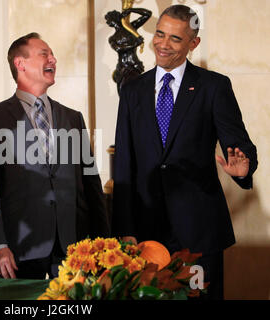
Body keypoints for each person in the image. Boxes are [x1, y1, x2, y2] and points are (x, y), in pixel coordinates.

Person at [112, 5, 257, 300]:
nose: (163, 45)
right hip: (147, 231)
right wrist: (125, 229)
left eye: (175, 39)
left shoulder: (214, 87)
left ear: (194, 43)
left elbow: (239, 142)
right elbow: (125, 162)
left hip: (199, 231)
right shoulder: (132, 90)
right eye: (160, 34)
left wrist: (245, 166)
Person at [0, 33, 110, 279]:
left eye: (52, 54)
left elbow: (91, 181)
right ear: (20, 63)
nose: (53, 59)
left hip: (74, 246)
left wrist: (104, 240)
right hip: (20, 246)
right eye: (44, 53)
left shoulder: (73, 117)